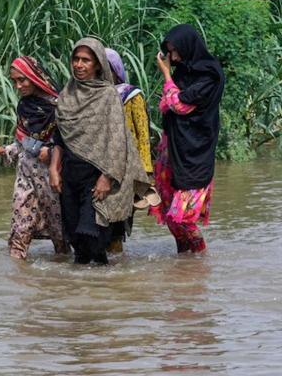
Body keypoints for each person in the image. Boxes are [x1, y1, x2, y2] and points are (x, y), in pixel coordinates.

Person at [49, 38, 150, 264]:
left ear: (98, 64)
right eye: (76, 59)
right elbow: (60, 137)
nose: (79, 65)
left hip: (96, 177)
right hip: (70, 176)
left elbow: (118, 141)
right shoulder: (66, 95)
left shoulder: (108, 95)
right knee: (76, 240)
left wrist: (107, 177)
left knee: (92, 236)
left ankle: (103, 284)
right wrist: (54, 169)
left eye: (86, 60)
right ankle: (88, 284)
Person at [150, 24, 224, 253]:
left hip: (196, 152)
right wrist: (171, 82)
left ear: (188, 47)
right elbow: (166, 104)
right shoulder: (183, 72)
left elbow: (178, 105)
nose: (172, 58)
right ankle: (184, 264)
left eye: (176, 51)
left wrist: (166, 75)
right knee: (170, 216)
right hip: (172, 149)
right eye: (169, 52)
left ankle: (202, 258)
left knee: (182, 217)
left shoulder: (209, 75)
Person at [0, 56, 67, 259]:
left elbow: (72, 143)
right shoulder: (24, 106)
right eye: (14, 81)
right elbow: (23, 144)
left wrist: (52, 153)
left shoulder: (61, 107)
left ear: (35, 77)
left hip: (52, 178)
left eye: (22, 80)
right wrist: (1, 150)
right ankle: (16, 275)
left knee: (60, 235)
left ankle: (63, 274)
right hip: (26, 175)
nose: (18, 86)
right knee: (19, 231)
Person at [104, 48, 153, 253]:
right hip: (99, 166)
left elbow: (143, 135)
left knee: (117, 223)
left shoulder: (131, 95)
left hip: (126, 167)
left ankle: (117, 265)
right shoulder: (92, 96)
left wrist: (145, 172)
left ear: (115, 69)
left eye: (105, 67)